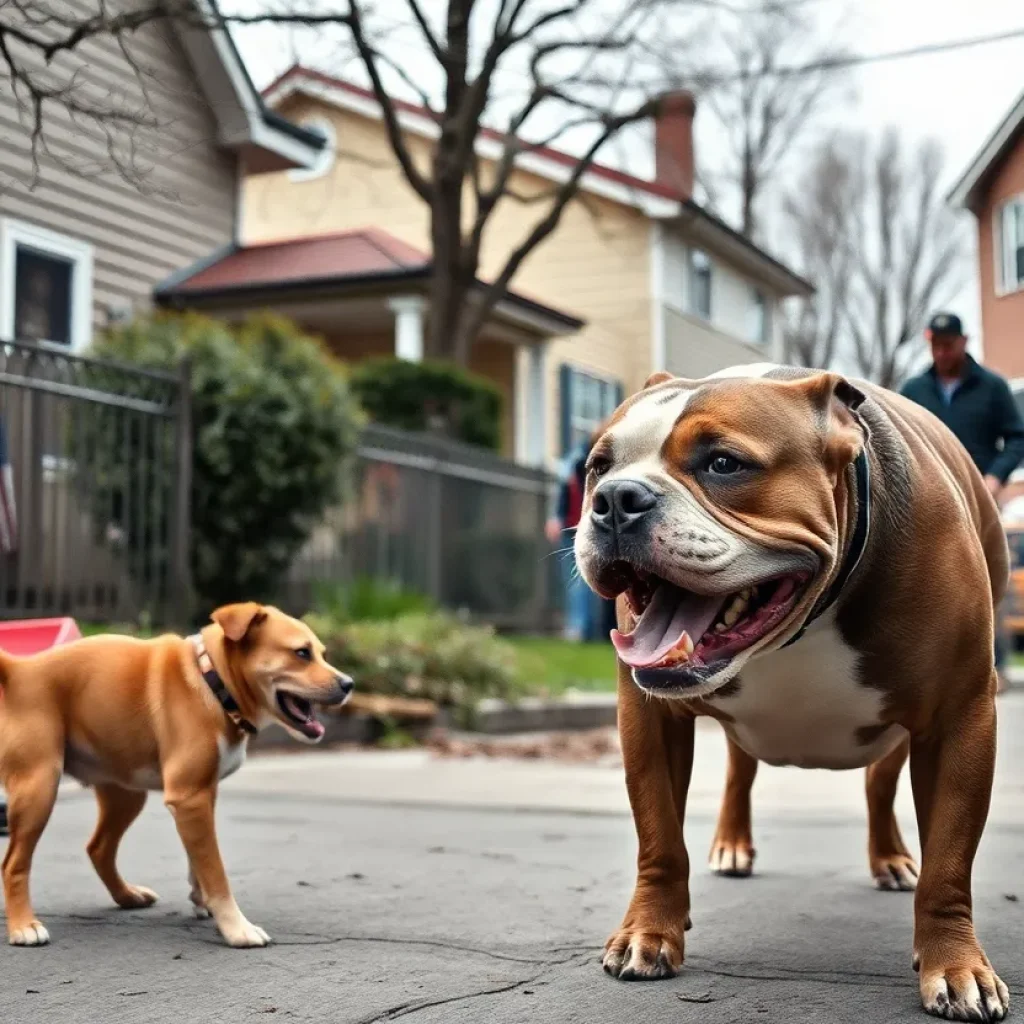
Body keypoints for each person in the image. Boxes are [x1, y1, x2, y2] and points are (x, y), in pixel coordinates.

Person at [900, 311, 1024, 690]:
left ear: (963, 342)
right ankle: (932, 674)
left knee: (986, 582)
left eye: (948, 345)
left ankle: (992, 668)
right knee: (926, 583)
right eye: (935, 345)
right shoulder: (914, 390)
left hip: (980, 498)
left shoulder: (992, 387)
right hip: (929, 502)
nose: (941, 352)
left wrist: (996, 476)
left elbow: (1017, 436)